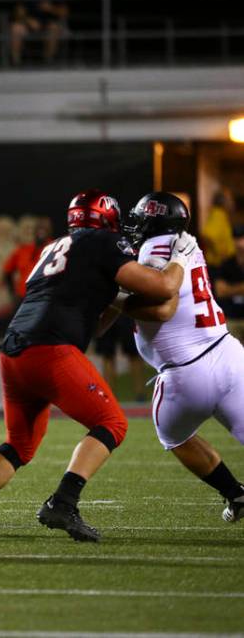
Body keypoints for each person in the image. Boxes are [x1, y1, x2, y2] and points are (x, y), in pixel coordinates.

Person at [0, 189, 194, 542]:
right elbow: (163, 287)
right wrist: (180, 259)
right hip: (49, 348)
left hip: (14, 351)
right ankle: (64, 501)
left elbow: (88, 317)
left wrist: (115, 301)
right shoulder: (103, 243)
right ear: (107, 218)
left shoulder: (53, 249)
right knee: (112, 423)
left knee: (19, 444)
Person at [116, 191, 244, 522]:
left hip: (186, 372)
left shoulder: (150, 249)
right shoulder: (188, 243)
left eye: (143, 219)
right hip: (228, 351)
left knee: (172, 435)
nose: (136, 225)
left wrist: (117, 300)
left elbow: (160, 305)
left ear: (154, 221)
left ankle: (235, 493)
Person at [94, 314, 148, 402]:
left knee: (134, 353)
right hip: (107, 308)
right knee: (107, 354)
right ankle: (109, 398)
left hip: (126, 310)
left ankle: (140, 396)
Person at [2, 217, 52, 308]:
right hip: (23, 298)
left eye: (45, 228)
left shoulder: (55, 249)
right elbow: (7, 271)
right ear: (35, 231)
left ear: (50, 231)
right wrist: (12, 292)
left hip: (45, 299)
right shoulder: (23, 250)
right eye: (39, 228)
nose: (42, 231)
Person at [213, 228, 244, 342]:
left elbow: (225, 290)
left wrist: (230, 289)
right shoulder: (227, 264)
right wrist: (240, 288)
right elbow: (220, 291)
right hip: (232, 317)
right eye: (237, 239)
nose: (240, 243)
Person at [201, 190, 234, 268]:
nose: (232, 203)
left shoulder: (221, 215)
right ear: (223, 202)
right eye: (230, 200)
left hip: (221, 263)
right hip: (219, 265)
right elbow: (208, 235)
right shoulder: (218, 215)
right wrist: (221, 253)